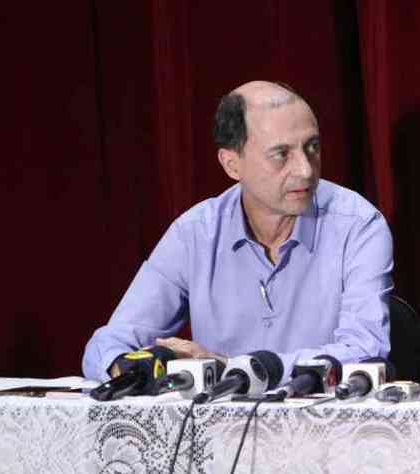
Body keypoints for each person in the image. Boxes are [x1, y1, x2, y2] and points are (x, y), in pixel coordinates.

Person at [82, 81, 393, 383]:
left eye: (312, 147)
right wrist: (131, 369)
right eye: (281, 154)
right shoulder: (195, 234)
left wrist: (235, 369)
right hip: (219, 430)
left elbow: (365, 351)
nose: (305, 170)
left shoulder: (358, 225)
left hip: (325, 428)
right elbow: (109, 345)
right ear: (232, 164)